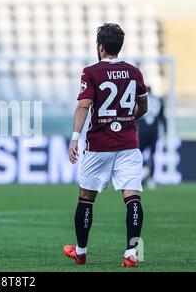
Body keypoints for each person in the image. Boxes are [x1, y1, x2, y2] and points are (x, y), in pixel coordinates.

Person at [64, 23, 148, 267]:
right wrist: (128, 120)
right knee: (132, 197)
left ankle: (80, 252)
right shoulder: (135, 72)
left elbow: (83, 106)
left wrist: (75, 138)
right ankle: (132, 254)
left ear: (100, 47)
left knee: (86, 198)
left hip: (99, 145)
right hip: (128, 144)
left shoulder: (91, 72)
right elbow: (143, 107)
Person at [138, 86, 167, 189]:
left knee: (138, 154)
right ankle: (150, 178)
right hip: (154, 130)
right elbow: (162, 117)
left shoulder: (140, 99)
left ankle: (141, 175)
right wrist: (165, 133)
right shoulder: (158, 100)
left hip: (143, 128)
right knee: (152, 155)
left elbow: (136, 114)